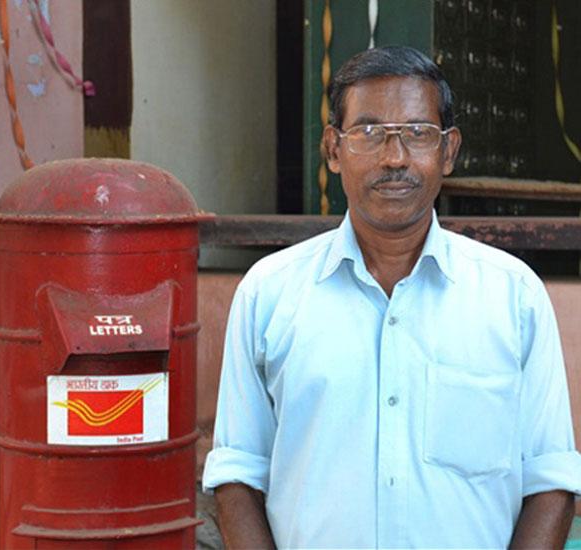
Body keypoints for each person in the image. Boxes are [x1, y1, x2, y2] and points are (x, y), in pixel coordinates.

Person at [202, 45, 581, 549]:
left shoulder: (514, 297)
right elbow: (237, 476)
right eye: (370, 132)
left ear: (448, 151)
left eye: (419, 134)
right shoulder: (270, 293)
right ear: (334, 150)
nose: (395, 158)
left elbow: (551, 481)